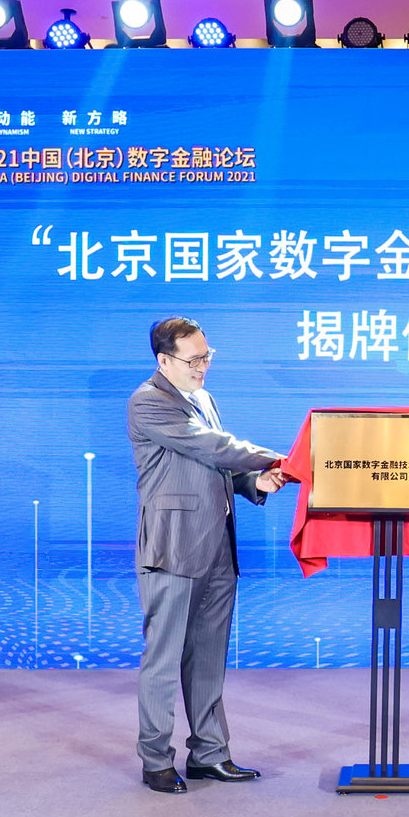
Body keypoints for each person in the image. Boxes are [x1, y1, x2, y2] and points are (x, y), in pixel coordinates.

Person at [127, 317, 287, 793]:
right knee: (164, 659)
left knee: (209, 657)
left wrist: (254, 482)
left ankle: (210, 754)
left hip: (217, 545)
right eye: (194, 359)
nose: (202, 366)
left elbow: (215, 467)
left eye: (207, 356)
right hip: (173, 547)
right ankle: (156, 760)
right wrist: (279, 458)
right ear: (164, 360)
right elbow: (211, 446)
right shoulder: (147, 401)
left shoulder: (204, 399)